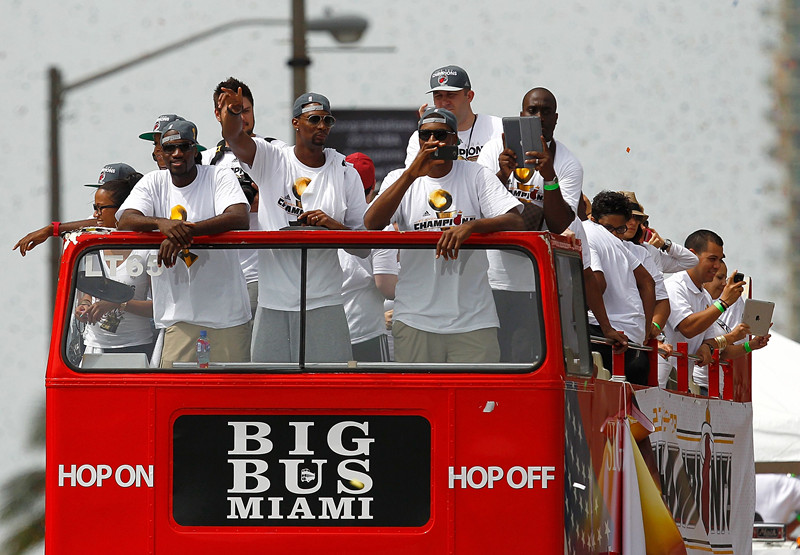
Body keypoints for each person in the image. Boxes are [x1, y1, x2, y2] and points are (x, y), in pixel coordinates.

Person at [219, 88, 368, 363]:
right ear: (296, 122)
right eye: (314, 119)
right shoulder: (273, 159)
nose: (322, 126)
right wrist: (233, 113)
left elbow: (363, 249)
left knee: (328, 395)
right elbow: (234, 138)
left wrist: (332, 227)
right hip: (273, 301)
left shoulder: (345, 172)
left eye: (327, 120)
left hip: (325, 302)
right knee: (271, 396)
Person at [365, 107, 525, 363]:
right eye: (424, 135)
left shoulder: (476, 174)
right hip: (415, 318)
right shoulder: (399, 178)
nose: (432, 142)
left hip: (473, 319)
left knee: (477, 401)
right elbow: (372, 223)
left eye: (440, 134)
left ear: (455, 140)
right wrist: (410, 174)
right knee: (419, 400)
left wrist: (471, 227)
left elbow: (516, 220)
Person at [117, 120, 251, 368]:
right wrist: (163, 224)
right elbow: (124, 220)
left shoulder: (217, 175)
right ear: (162, 153)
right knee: (177, 401)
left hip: (228, 314)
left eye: (185, 146)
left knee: (233, 402)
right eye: (170, 148)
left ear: (195, 149)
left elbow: (239, 217)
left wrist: (183, 234)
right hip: (178, 317)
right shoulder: (153, 182)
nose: (177, 153)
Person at [202, 77, 288, 317]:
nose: (242, 117)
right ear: (218, 115)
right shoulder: (207, 160)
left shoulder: (277, 151)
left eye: (246, 110)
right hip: (220, 278)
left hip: (266, 275)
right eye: (233, 111)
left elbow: (291, 201)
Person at [477, 87, 582, 232]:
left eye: (546, 111)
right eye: (532, 111)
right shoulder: (493, 149)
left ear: (556, 118)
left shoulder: (568, 163)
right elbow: (476, 207)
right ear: (522, 115)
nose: (539, 118)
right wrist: (502, 175)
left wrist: (550, 178)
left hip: (535, 252)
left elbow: (559, 226)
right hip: (495, 249)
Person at [76, 179, 156, 357]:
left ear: (122, 210)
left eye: (101, 208)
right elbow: (87, 293)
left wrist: (119, 304)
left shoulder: (147, 250)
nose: (95, 214)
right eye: (94, 208)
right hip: (93, 347)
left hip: (137, 346)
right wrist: (84, 306)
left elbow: (160, 307)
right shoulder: (91, 248)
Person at [583, 191, 656, 384]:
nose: (614, 233)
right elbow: (648, 282)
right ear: (593, 218)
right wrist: (645, 330)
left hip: (609, 339)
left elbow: (598, 283)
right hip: (634, 343)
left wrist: (607, 328)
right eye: (609, 227)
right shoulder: (617, 242)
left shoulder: (585, 233)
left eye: (619, 228)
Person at [658, 230, 745, 391]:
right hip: (660, 384)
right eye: (712, 259)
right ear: (692, 255)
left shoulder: (704, 295)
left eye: (720, 260)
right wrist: (724, 303)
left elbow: (712, 340)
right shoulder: (675, 286)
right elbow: (688, 328)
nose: (717, 266)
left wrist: (707, 348)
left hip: (681, 384)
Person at [338, 152, 399, 361]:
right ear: (373, 186)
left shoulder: (327, 217)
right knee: (374, 394)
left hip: (328, 330)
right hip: (366, 332)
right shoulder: (382, 226)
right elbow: (387, 286)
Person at [13, 163, 143, 256]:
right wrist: (53, 229)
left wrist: (53, 229)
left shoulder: (148, 231)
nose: (96, 214)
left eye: (110, 187)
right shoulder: (93, 228)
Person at [404, 65, 502, 165]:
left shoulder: (498, 128)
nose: (444, 102)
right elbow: (414, 178)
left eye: (451, 95)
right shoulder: (422, 137)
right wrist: (430, 130)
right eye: (438, 96)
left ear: (469, 96)